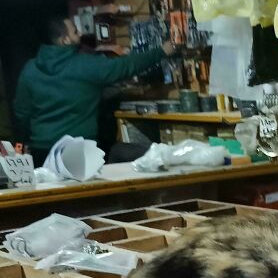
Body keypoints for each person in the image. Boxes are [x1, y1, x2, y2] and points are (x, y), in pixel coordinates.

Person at [13, 16, 174, 166]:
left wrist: (22, 145)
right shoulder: (86, 66)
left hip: (42, 152)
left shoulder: (30, 70)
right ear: (65, 40)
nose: (81, 33)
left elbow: (21, 114)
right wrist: (161, 51)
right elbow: (125, 66)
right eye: (75, 31)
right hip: (78, 151)